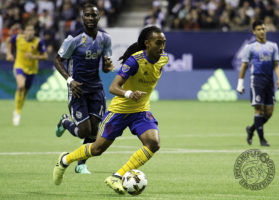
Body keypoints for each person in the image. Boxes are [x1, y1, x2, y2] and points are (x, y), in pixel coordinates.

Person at [53, 25, 168, 194]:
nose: (162, 46)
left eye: (164, 42)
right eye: (158, 43)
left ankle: (117, 176)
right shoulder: (134, 61)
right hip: (119, 111)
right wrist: (129, 93)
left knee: (153, 143)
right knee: (96, 149)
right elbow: (114, 88)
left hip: (140, 111)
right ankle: (65, 159)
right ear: (147, 43)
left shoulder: (163, 60)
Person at [53, 3, 113, 174]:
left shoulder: (105, 38)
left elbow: (105, 65)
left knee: (95, 130)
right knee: (83, 131)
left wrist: (107, 66)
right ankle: (65, 121)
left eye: (93, 15)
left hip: (96, 89)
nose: (90, 18)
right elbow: (57, 60)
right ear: (82, 17)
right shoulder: (74, 38)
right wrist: (70, 80)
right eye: (87, 15)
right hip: (78, 89)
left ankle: (81, 164)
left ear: (98, 17)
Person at [236, 20, 279, 147]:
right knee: (258, 109)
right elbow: (244, 66)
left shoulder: (273, 46)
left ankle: (251, 129)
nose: (262, 31)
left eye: (263, 28)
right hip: (256, 80)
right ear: (254, 32)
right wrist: (240, 84)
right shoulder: (250, 47)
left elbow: (276, 64)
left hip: (269, 82)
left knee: (269, 112)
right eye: (259, 29)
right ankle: (262, 140)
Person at [6, 24, 48, 126]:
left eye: (32, 30)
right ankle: (17, 112)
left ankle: (17, 110)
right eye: (28, 30)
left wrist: (33, 56)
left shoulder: (38, 42)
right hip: (19, 66)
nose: (30, 32)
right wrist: (9, 53)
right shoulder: (18, 38)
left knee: (24, 93)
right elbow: (8, 41)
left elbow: (45, 56)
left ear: (34, 32)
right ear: (24, 31)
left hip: (32, 70)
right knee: (20, 86)